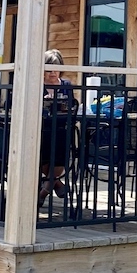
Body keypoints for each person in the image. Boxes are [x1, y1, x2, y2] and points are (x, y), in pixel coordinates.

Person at [39, 49, 77, 205]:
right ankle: (57, 184)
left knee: (61, 144)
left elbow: (72, 106)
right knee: (42, 152)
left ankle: (44, 191)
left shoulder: (66, 85)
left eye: (56, 67)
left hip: (61, 128)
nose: (52, 72)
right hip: (41, 128)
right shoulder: (38, 84)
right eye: (48, 68)